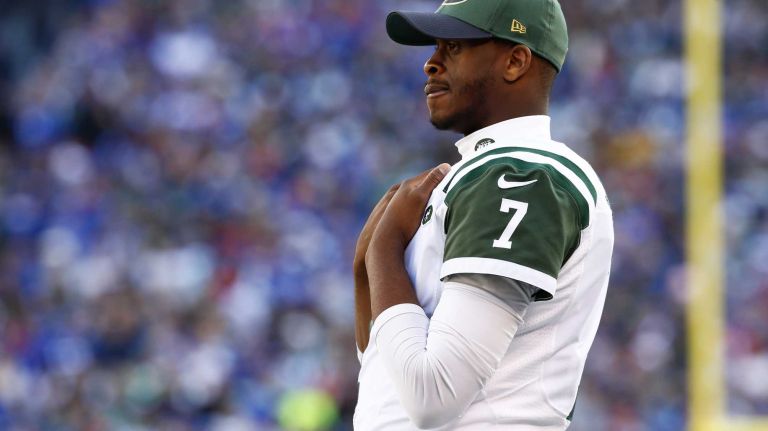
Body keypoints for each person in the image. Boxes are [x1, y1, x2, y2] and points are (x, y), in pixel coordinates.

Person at [353, 0, 614, 429]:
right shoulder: (478, 173)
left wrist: (383, 251)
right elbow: (385, 370)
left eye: (454, 47)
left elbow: (433, 397)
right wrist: (365, 270)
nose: (430, 64)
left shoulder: (523, 173)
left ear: (515, 60)